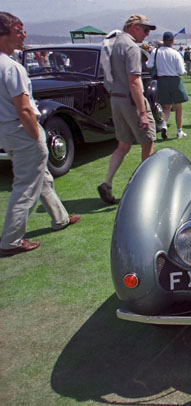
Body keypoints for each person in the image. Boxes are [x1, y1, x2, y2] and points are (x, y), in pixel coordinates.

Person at [0, 12, 80, 256]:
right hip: (22, 128)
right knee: (26, 185)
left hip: (7, 130)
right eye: (18, 31)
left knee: (41, 176)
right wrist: (37, 136)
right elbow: (24, 108)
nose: (23, 35)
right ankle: (11, 240)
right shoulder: (12, 68)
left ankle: (60, 217)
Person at [97, 14, 157, 205]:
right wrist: (142, 113)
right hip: (131, 101)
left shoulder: (113, 43)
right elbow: (134, 81)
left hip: (116, 99)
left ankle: (107, 182)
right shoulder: (131, 47)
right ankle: (143, 187)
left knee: (123, 145)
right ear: (134, 27)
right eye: (145, 29)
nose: (147, 34)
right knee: (148, 142)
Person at [148, 31, 189, 139]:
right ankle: (179, 131)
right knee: (178, 108)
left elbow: (149, 65)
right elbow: (181, 71)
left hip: (161, 80)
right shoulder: (175, 53)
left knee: (166, 107)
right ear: (172, 41)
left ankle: (164, 124)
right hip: (174, 80)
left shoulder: (155, 51)